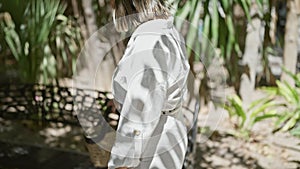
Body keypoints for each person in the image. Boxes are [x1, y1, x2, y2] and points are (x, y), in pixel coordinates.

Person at [108, 0, 190, 168]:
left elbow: (139, 112)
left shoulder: (149, 41)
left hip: (151, 146)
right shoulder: (166, 30)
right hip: (167, 134)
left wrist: (121, 164)